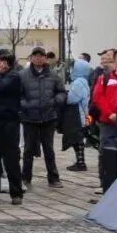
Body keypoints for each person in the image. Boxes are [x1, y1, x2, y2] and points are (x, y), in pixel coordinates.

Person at [19, 46, 67, 189]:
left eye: (41, 55)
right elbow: (17, 95)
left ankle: (53, 178)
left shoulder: (53, 74)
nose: (38, 58)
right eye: (35, 55)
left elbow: (62, 92)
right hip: (29, 117)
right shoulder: (22, 75)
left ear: (45, 58)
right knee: (28, 149)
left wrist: (55, 101)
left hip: (48, 117)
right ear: (31, 57)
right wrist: (25, 105)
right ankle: (25, 177)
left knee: (49, 149)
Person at [0, 50, 24, 205]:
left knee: (11, 161)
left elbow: (0, 88)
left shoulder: (13, 76)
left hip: (8, 124)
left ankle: (16, 192)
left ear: (6, 62)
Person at [90, 48, 117, 192]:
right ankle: (105, 184)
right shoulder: (105, 77)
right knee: (106, 152)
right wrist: (110, 114)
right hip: (108, 123)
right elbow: (98, 97)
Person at [63, 57, 92, 172]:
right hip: (83, 114)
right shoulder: (84, 81)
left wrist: (66, 95)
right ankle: (80, 162)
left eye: (74, 68)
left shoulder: (78, 82)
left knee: (77, 139)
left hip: (77, 115)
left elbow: (71, 99)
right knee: (78, 139)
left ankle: (81, 163)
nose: (72, 70)